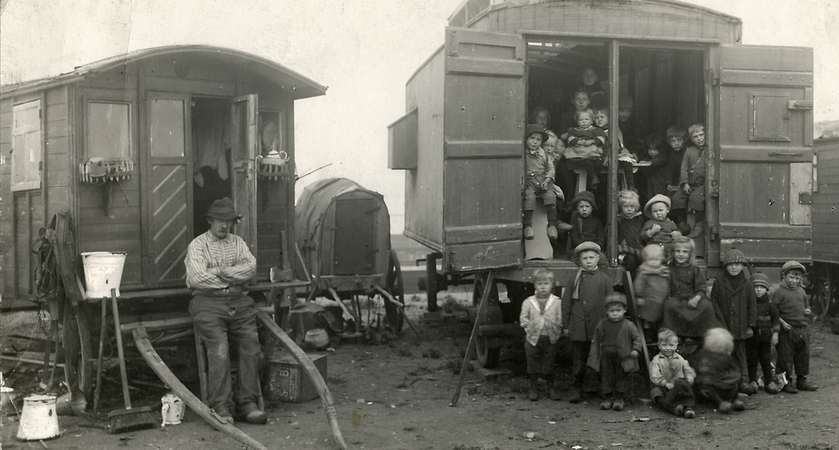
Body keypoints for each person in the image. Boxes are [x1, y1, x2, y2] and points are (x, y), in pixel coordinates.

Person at [185, 197, 267, 425]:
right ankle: (221, 406)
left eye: (228, 221)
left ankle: (247, 403)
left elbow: (250, 268)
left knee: (251, 346)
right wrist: (231, 279)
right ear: (210, 221)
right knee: (219, 349)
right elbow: (197, 278)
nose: (224, 226)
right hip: (207, 304)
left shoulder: (238, 243)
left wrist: (220, 272)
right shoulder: (198, 245)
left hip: (239, 302)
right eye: (220, 221)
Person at [562, 241, 613, 403]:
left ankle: (596, 387)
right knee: (578, 358)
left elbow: (610, 303)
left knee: (597, 357)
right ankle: (576, 387)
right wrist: (565, 324)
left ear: (598, 258)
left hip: (597, 325)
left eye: (592, 257)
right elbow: (566, 302)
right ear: (579, 261)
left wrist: (608, 325)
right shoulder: (574, 279)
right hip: (578, 325)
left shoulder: (604, 279)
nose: (589, 261)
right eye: (585, 258)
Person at [586, 292, 644, 411]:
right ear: (607, 311)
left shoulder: (628, 325)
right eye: (612, 311)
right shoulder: (602, 324)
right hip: (606, 355)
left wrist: (636, 349)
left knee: (621, 377)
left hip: (623, 356)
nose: (615, 313)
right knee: (606, 376)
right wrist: (595, 355)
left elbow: (637, 338)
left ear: (624, 310)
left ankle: (619, 398)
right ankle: (607, 398)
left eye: (618, 310)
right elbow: (596, 339)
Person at [710, 249, 757, 394]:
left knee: (741, 354)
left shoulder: (747, 284)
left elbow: (752, 306)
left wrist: (751, 325)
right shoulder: (719, 283)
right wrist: (719, 324)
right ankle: (727, 383)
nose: (734, 267)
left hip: (741, 327)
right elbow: (714, 304)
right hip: (725, 326)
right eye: (730, 265)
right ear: (726, 266)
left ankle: (744, 381)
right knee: (725, 355)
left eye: (737, 264)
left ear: (743, 266)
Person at [661, 233, 719, 350]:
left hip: (692, 298)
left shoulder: (695, 269)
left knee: (707, 306)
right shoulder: (670, 268)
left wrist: (697, 298)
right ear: (673, 252)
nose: (681, 254)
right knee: (669, 305)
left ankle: (698, 335)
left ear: (690, 254)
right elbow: (667, 287)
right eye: (678, 251)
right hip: (677, 300)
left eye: (684, 252)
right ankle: (676, 335)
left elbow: (701, 287)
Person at [773, 261, 819, 393]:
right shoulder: (779, 292)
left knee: (802, 356)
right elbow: (773, 312)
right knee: (785, 357)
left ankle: (801, 380)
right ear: (784, 276)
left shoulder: (801, 291)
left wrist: (808, 311)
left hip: (802, 329)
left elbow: (806, 306)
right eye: (791, 277)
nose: (794, 280)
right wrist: (782, 322)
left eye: (798, 278)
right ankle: (786, 382)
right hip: (787, 330)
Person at [520, 269, 563, 401]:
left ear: (552, 285)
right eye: (540, 284)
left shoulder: (557, 302)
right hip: (533, 339)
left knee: (549, 362)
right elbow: (523, 318)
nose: (543, 287)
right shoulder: (529, 301)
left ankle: (550, 387)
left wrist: (556, 328)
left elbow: (560, 319)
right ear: (535, 286)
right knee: (532, 362)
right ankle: (533, 387)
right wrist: (530, 328)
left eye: (546, 283)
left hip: (550, 337)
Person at [693, 328, 745, 413]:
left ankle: (733, 399)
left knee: (735, 383)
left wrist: (734, 377)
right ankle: (720, 402)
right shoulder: (705, 359)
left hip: (723, 383)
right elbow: (703, 375)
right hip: (711, 387)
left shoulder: (727, 359)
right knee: (707, 387)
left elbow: (736, 370)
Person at [523, 124, 559, 240]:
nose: (534, 142)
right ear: (526, 139)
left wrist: (547, 180)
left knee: (550, 196)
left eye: (538, 140)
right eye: (532, 138)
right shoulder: (523, 154)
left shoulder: (544, 154)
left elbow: (550, 169)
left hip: (543, 181)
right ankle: (528, 226)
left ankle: (552, 225)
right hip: (530, 182)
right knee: (529, 197)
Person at [649, 328, 696, 418]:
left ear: (676, 346)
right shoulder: (656, 360)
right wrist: (665, 383)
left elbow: (687, 368)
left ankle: (688, 408)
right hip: (664, 388)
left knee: (683, 384)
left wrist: (689, 376)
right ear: (659, 346)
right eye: (664, 345)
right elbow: (654, 376)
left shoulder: (680, 358)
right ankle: (674, 408)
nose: (668, 348)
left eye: (671, 345)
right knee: (656, 394)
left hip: (678, 387)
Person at [747, 272, 781, 394]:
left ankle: (769, 381)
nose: (758, 290)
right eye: (756, 288)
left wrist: (775, 334)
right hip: (751, 338)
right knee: (752, 359)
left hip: (766, 338)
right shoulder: (749, 305)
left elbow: (776, 320)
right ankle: (752, 381)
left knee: (766, 360)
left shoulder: (771, 306)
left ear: (766, 289)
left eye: (761, 288)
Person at [633, 244, 669, 341]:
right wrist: (639, 296)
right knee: (649, 313)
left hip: (663, 297)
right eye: (650, 260)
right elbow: (638, 285)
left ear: (661, 259)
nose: (653, 263)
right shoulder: (644, 272)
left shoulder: (664, 271)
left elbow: (669, 283)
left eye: (656, 260)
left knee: (666, 310)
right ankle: (648, 331)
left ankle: (661, 331)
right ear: (645, 260)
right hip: (649, 298)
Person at [679, 124, 707, 239]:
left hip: (703, 185)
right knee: (677, 199)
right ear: (691, 139)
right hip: (690, 184)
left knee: (696, 199)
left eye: (701, 135)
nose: (700, 138)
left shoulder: (708, 150)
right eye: (696, 136)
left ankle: (698, 226)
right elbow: (684, 168)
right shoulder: (689, 151)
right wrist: (685, 183)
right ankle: (683, 225)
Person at [664, 126, 689, 232]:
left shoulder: (687, 152)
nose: (676, 143)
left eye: (679, 140)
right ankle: (672, 224)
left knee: (678, 199)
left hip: (686, 181)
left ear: (684, 141)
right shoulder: (671, 154)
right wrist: (668, 183)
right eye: (673, 141)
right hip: (675, 182)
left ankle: (681, 223)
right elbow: (669, 169)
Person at [617, 190, 644, 275]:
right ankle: (629, 283)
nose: (629, 209)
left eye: (632, 207)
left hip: (638, 247)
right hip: (624, 249)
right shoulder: (618, 220)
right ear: (621, 207)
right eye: (626, 206)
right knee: (630, 262)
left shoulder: (639, 219)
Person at [640, 133, 670, 199]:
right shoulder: (648, 158)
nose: (652, 152)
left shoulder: (663, 157)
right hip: (650, 186)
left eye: (655, 150)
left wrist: (649, 163)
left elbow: (661, 160)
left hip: (661, 185)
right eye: (650, 149)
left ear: (661, 150)